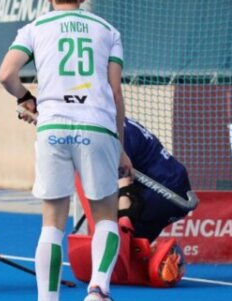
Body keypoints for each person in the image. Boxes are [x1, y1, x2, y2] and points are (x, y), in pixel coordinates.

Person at [0, 0, 132, 301]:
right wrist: (121, 147)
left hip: (53, 128)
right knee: (105, 215)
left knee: (52, 223)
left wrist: (29, 99)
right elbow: (115, 91)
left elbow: (6, 74)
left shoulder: (35, 27)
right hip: (97, 126)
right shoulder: (107, 30)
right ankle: (99, 288)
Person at [75, 118, 190, 288]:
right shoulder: (111, 122)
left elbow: (124, 184)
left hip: (165, 191)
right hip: (171, 187)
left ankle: (169, 259)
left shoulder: (116, 134)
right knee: (134, 253)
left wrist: (123, 221)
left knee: (116, 223)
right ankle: (163, 259)